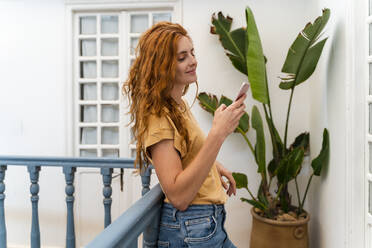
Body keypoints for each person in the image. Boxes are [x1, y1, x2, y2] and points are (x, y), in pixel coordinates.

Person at [122, 21, 246, 248]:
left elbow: (187, 153)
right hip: (191, 228)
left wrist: (215, 167)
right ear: (163, 66)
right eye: (182, 57)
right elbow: (178, 195)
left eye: (192, 53)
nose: (193, 61)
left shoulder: (177, 106)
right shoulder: (158, 118)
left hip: (206, 224)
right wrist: (218, 133)